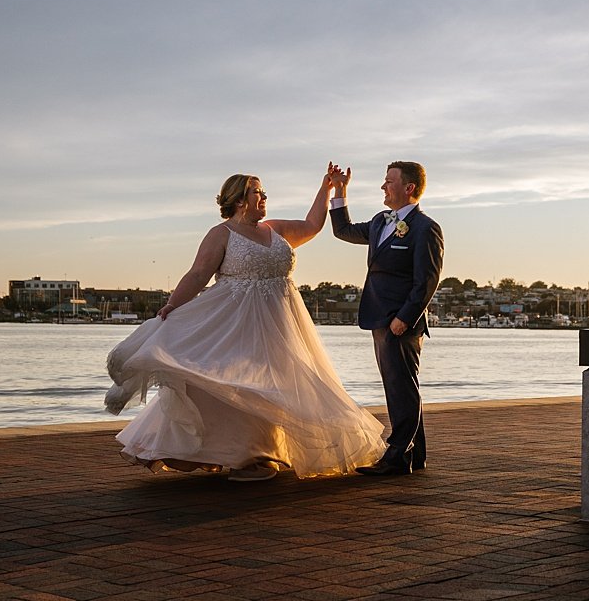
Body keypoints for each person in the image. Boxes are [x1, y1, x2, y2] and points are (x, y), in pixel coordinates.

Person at [104, 168, 385, 481]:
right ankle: (245, 456)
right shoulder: (221, 234)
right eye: (257, 192)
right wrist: (172, 306)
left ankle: (265, 453)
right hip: (235, 321)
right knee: (234, 385)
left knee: (279, 383)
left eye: (263, 192)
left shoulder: (275, 229)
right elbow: (198, 274)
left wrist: (328, 188)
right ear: (239, 200)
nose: (264, 197)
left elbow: (311, 225)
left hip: (282, 322)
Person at [328, 161, 444, 476]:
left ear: (408, 188)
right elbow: (343, 231)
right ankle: (413, 456)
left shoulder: (425, 228)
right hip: (379, 316)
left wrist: (405, 318)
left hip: (400, 322)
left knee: (401, 387)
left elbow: (427, 280)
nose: (383, 186)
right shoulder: (381, 221)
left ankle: (396, 457)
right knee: (399, 387)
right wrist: (339, 191)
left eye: (389, 181)